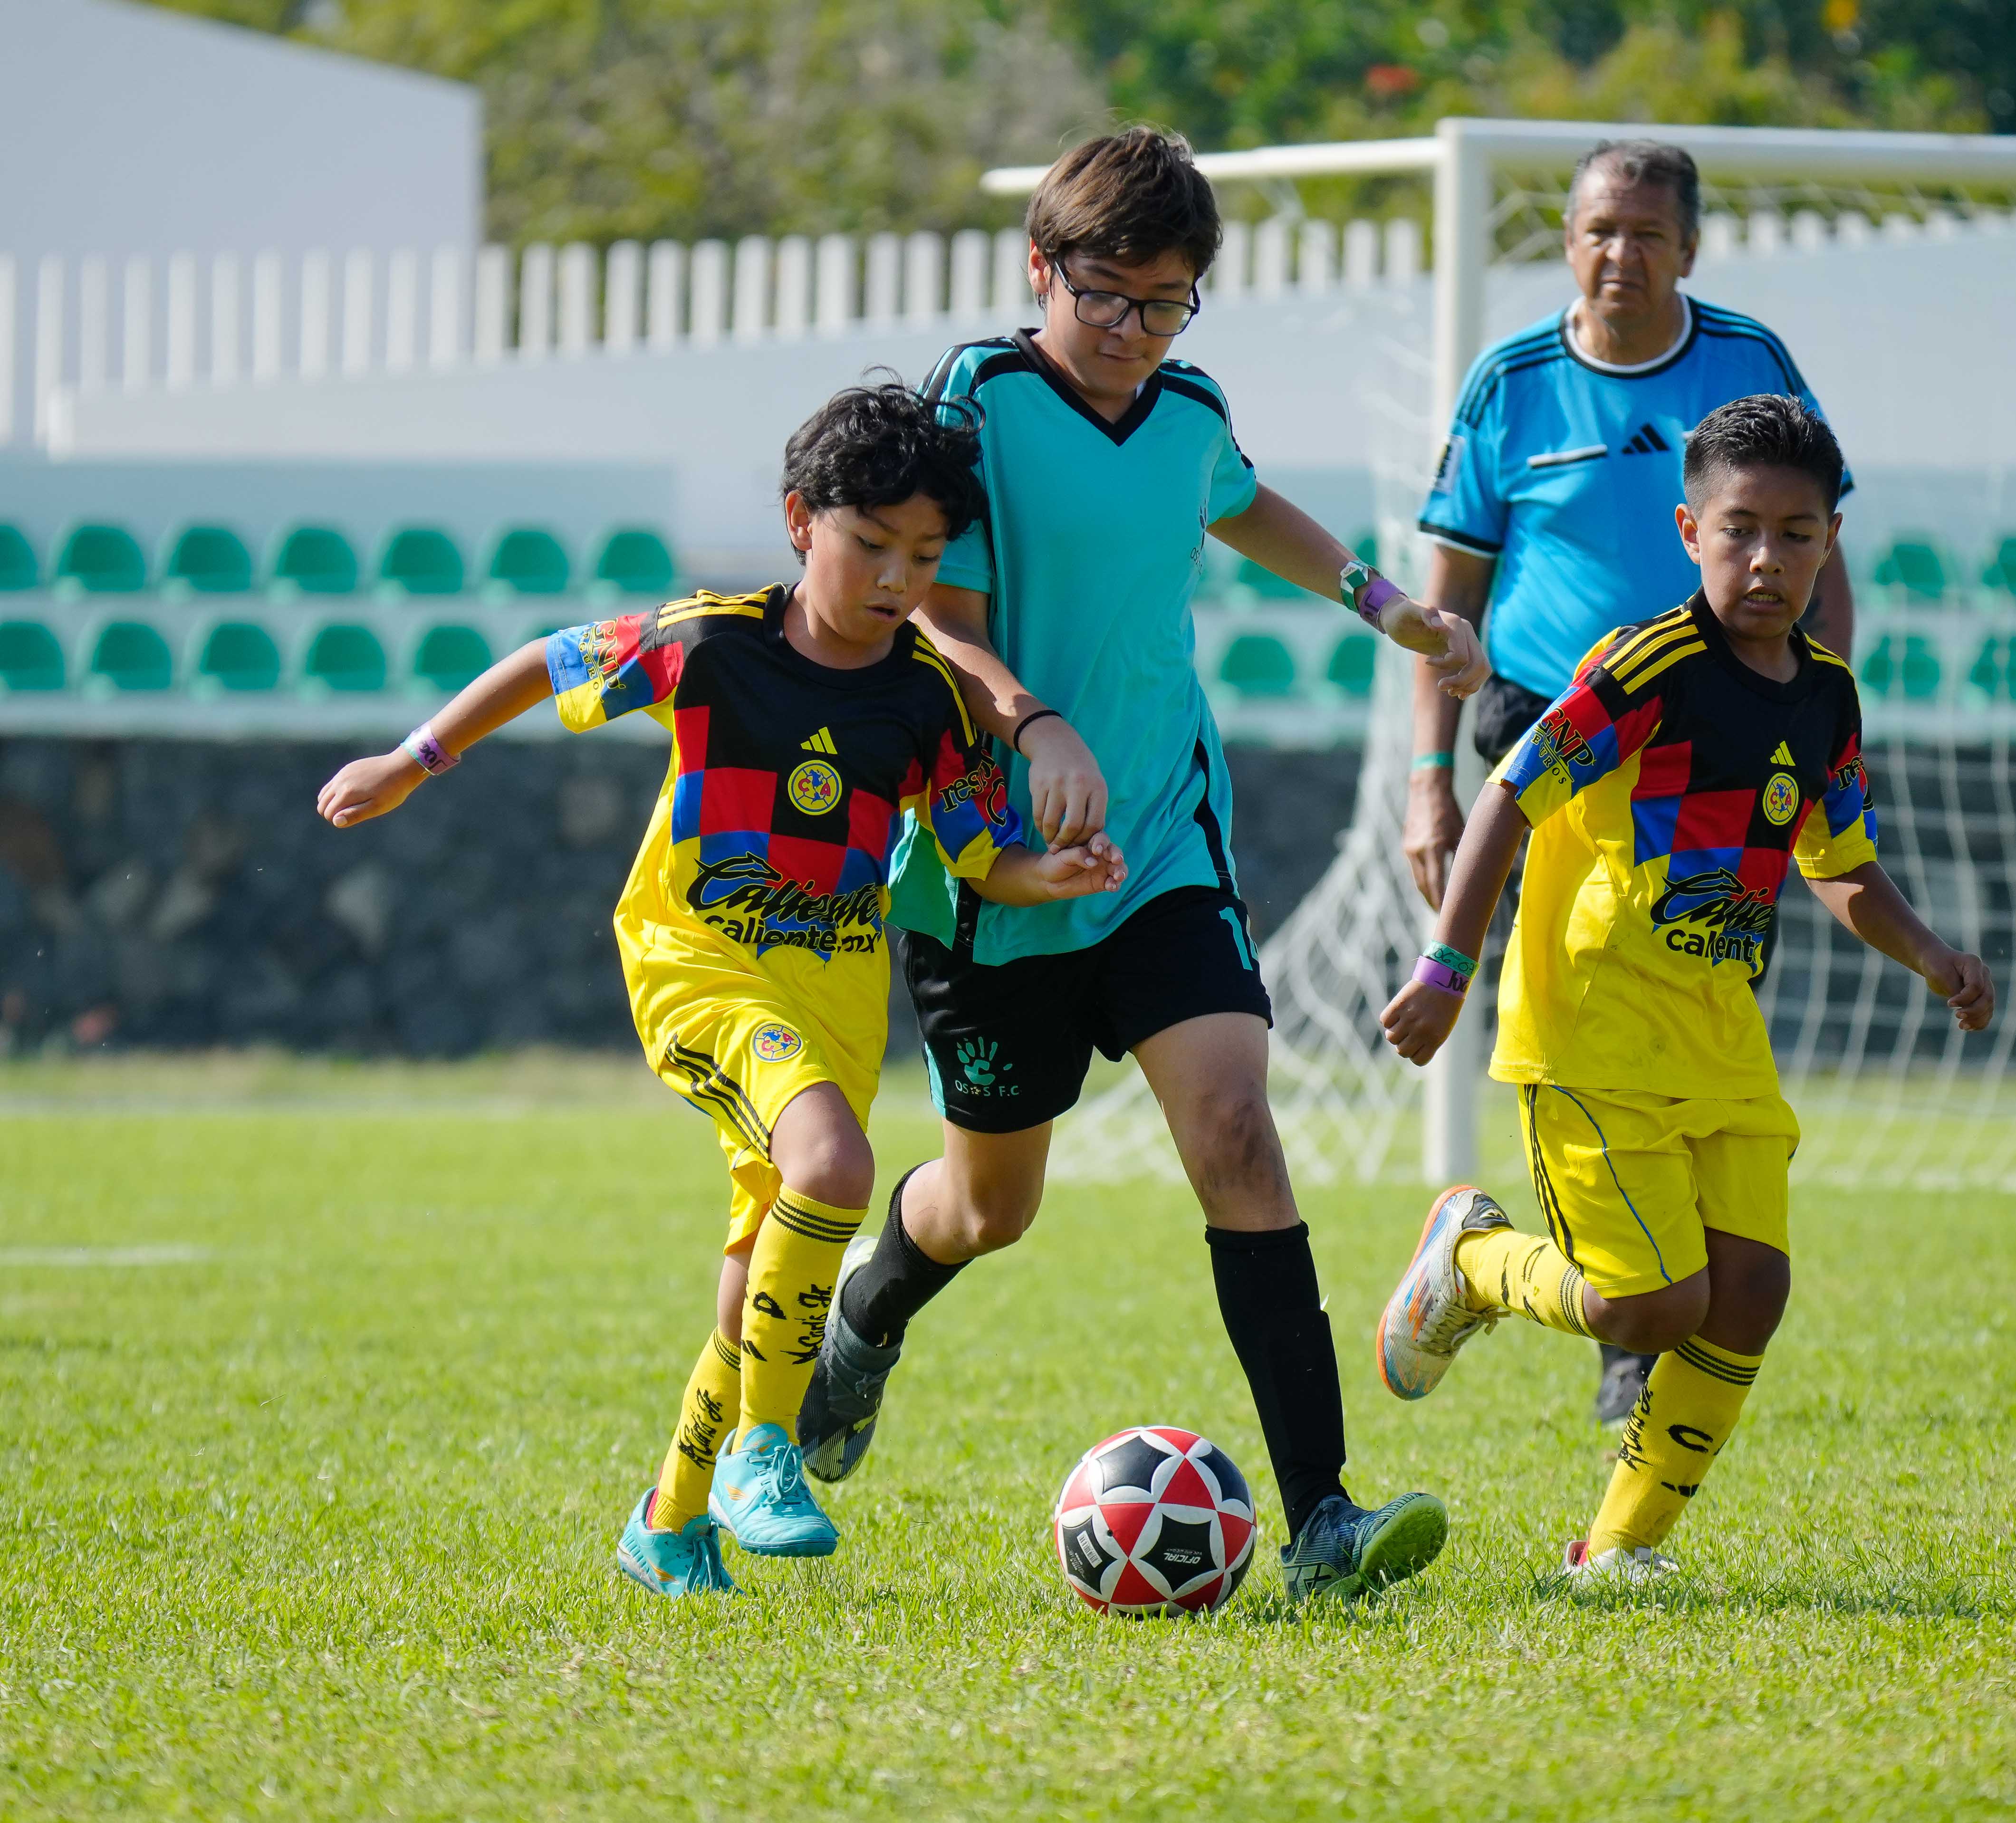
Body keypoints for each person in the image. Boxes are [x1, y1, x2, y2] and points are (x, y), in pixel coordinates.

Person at [796, 127, 1489, 1602]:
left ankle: (1322, 1519)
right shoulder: (978, 401)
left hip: (1166, 837)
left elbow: (1239, 498)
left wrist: (1384, 602)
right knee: (992, 1206)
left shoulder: (1187, 407)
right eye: (1105, 296)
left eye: (1164, 303)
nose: (1128, 331)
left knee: (1237, 1129)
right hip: (997, 865)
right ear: (1041, 268)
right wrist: (1032, 722)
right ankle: (867, 1306)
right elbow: (937, 611)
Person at [315, 381, 1125, 1597]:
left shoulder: (931, 700)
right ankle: (762, 1450)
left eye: (925, 555)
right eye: (871, 545)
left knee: (764, 1275)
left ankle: (667, 1521)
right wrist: (413, 760)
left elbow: (971, 852)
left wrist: (1042, 873)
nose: (899, 578)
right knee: (839, 1171)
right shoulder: (710, 642)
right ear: (803, 522)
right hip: (699, 963)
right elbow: (549, 662)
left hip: (835, 994)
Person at [1373, 395, 1993, 1581]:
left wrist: (1930, 953)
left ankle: (1617, 1552)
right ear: (1689, 529)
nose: (1767, 559)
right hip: (1591, 1026)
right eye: (1741, 529)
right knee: (1647, 1310)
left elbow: (1838, 860)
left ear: (1830, 542)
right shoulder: (1643, 668)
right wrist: (1448, 968)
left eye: (1798, 534)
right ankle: (1475, 1262)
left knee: (1751, 1290)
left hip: (1718, 1030)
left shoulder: (1826, 697)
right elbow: (1510, 791)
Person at [1403, 140, 1860, 1429]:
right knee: (1579, 1016)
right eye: (1601, 229)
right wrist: (1430, 779)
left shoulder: (1750, 368)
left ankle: (1621, 1303)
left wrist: (1810, 708)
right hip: (1552, 728)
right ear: (1566, 238)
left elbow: (1820, 551)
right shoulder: (1512, 382)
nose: (1622, 254)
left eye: (1648, 233)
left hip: (1720, 740)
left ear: (1689, 248)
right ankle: (1604, 1305)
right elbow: (1448, 605)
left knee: (1695, 983)